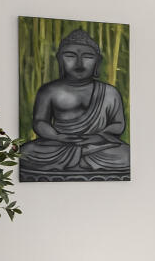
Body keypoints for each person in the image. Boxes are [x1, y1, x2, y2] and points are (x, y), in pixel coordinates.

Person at [17, 27, 130, 180]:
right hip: (59, 145)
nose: (79, 63)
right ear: (59, 60)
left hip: (98, 146)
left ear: (98, 62)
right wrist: (58, 137)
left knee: (126, 154)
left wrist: (97, 137)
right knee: (26, 152)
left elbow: (118, 125)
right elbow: (40, 122)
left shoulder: (110, 92)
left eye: (88, 56)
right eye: (70, 55)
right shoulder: (49, 90)